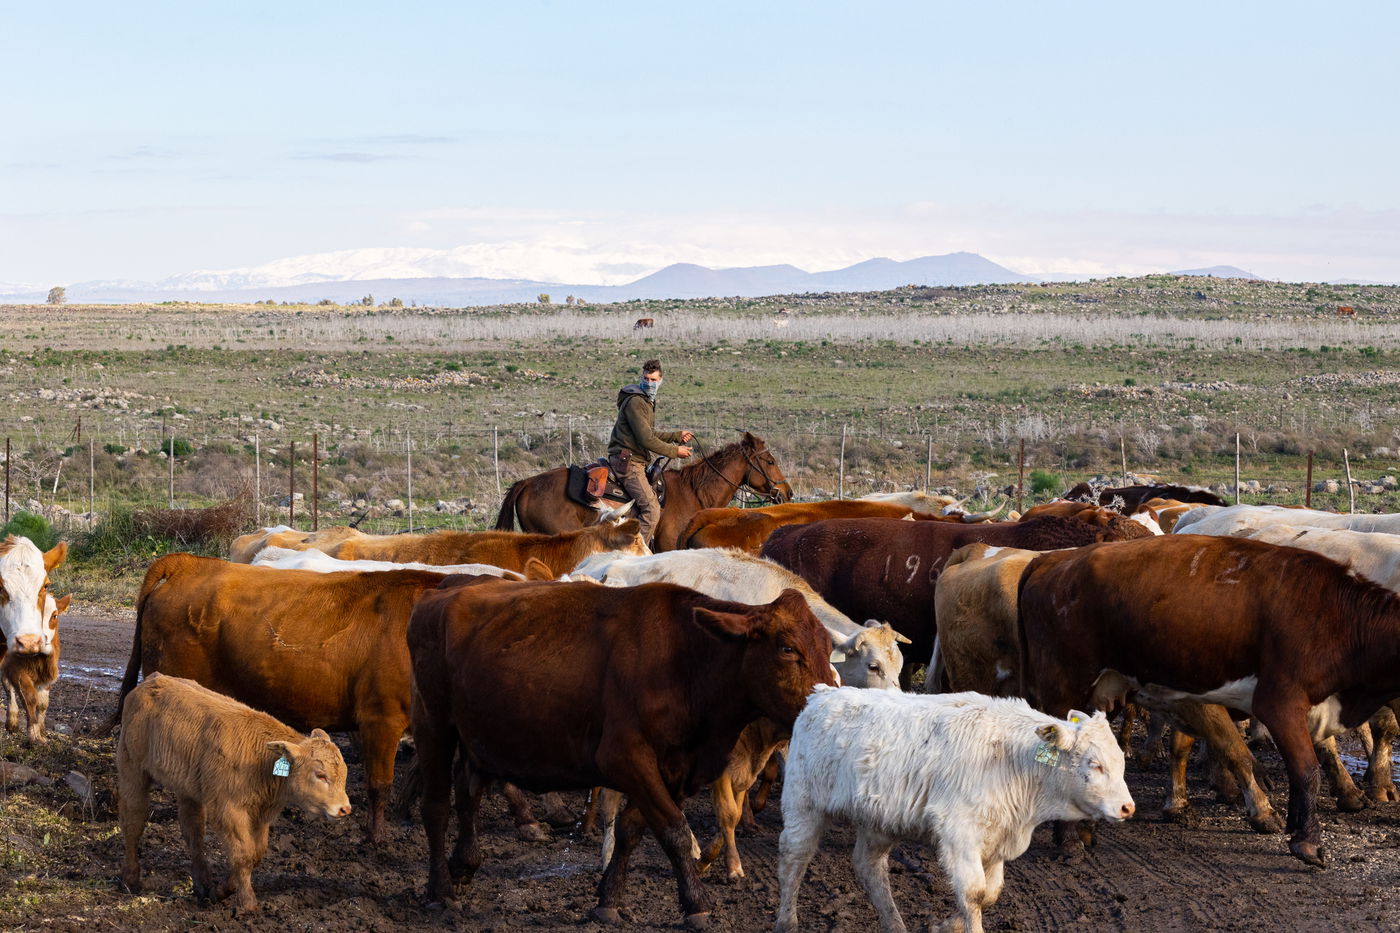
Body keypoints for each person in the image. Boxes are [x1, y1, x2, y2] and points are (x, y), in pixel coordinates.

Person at [607, 359, 694, 547]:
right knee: (652, 509)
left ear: (661, 380)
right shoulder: (636, 401)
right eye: (646, 379)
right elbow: (646, 439)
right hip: (629, 462)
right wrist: (674, 451)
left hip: (634, 459)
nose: (649, 383)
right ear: (641, 378)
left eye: (653, 380)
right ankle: (634, 555)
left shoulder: (646, 400)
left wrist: (676, 436)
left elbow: (649, 433)